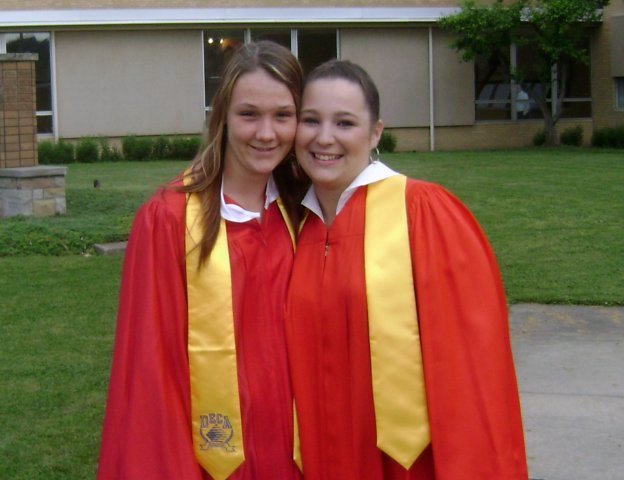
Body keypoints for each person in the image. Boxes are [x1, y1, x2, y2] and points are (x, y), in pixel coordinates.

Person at [285, 60, 528, 479]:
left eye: (345, 123)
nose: (324, 137)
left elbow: (472, 373)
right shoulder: (292, 227)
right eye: (311, 120)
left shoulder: (423, 213)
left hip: (409, 466)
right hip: (321, 457)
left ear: (375, 132)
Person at [97, 41, 307, 480]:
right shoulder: (168, 220)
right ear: (222, 116)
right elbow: (150, 372)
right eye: (249, 114)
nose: (266, 133)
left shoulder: (305, 212)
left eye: (282, 115)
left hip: (295, 458)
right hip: (207, 461)